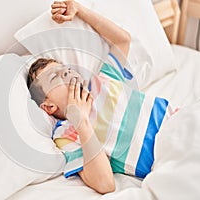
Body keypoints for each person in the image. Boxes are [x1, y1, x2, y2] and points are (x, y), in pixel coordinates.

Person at [27, 0, 177, 194]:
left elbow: (123, 40)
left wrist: (79, 9)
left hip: (178, 120)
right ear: (48, 107)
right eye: (55, 77)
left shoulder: (103, 80)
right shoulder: (65, 135)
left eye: (67, 69)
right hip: (167, 155)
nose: (67, 74)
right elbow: (106, 184)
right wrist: (81, 122)